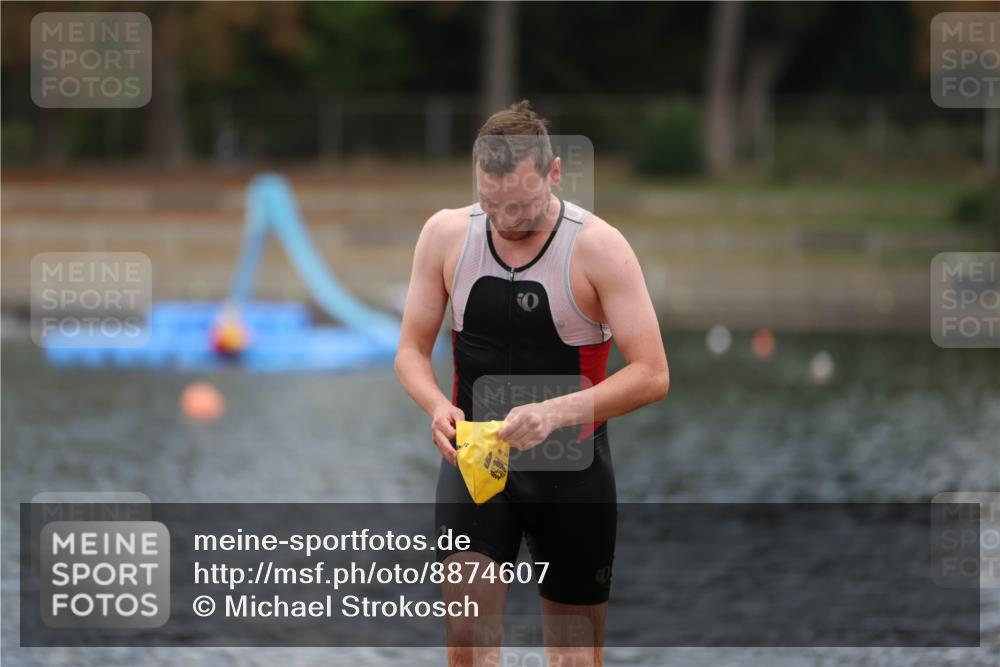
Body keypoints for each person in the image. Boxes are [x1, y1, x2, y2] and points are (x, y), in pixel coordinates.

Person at [395, 100, 669, 667]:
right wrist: (436, 405)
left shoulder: (599, 248)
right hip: (478, 467)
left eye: (521, 204)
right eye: (492, 203)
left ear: (554, 175)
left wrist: (554, 413)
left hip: (572, 476)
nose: (506, 219)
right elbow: (410, 352)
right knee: (468, 649)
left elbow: (653, 374)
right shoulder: (446, 236)